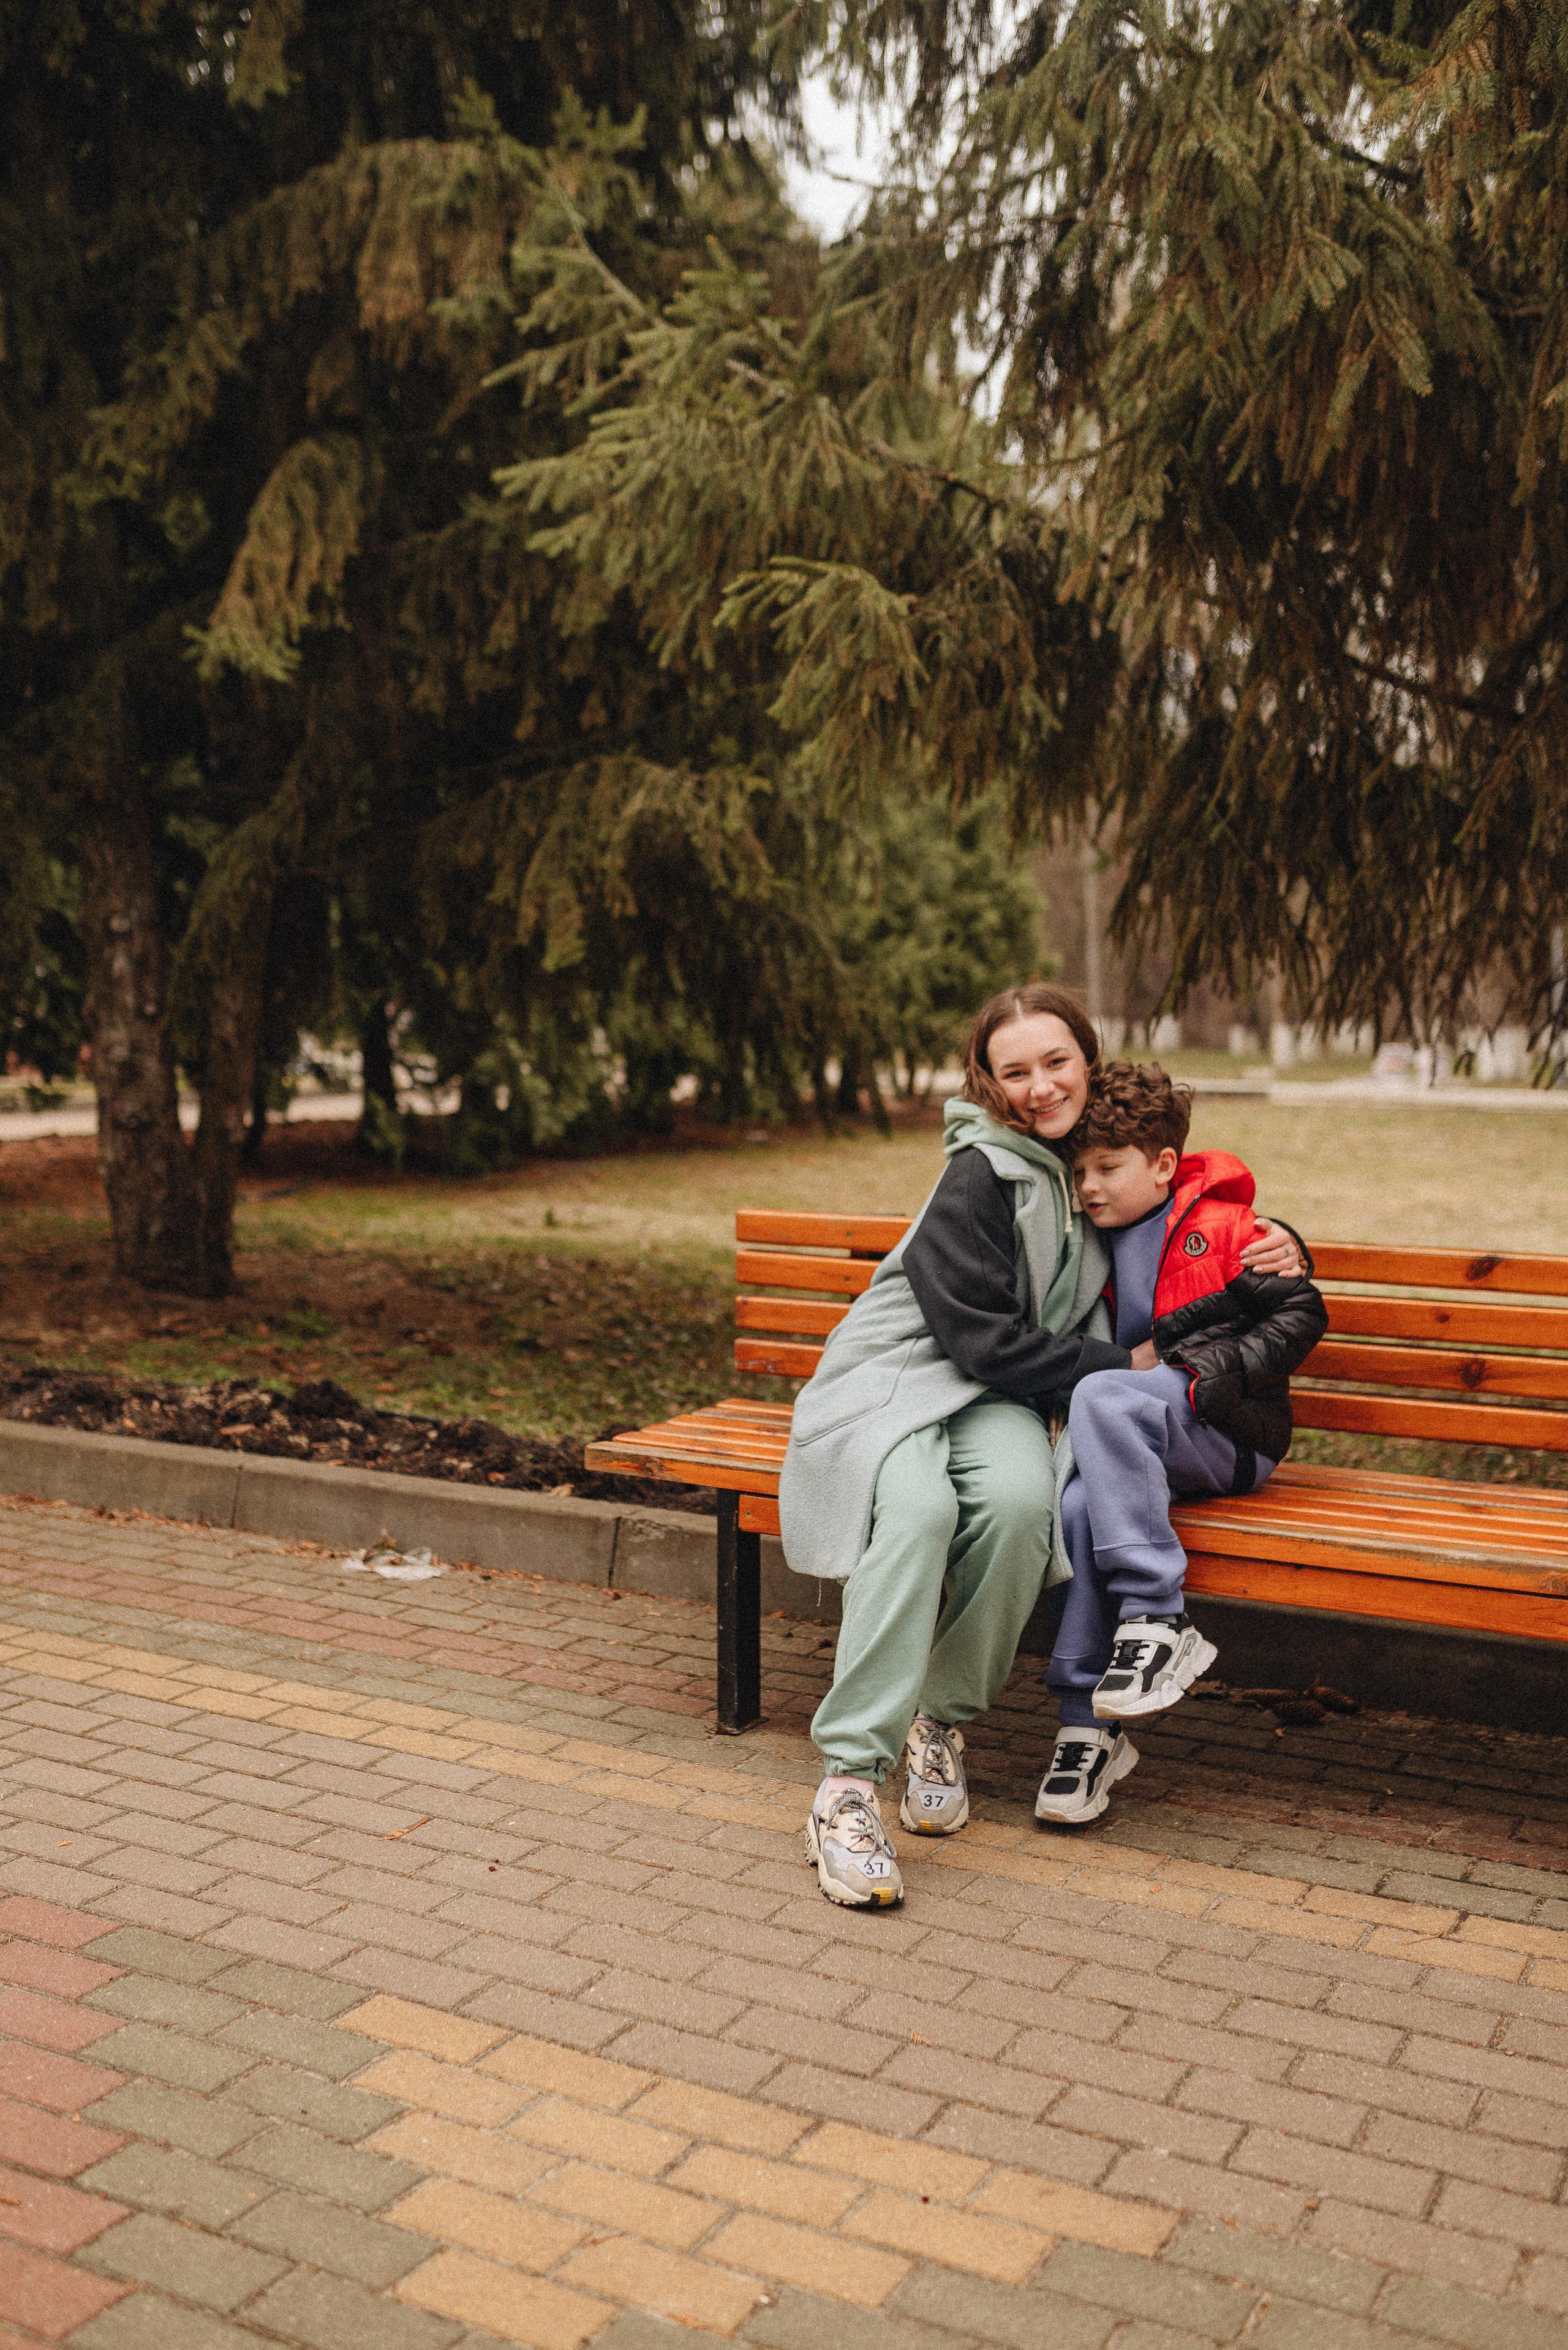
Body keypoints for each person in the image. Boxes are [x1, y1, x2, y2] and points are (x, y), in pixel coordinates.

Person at [777, 985, 1306, 1908]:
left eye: (1056, 1062)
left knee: (1024, 1508)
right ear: (988, 1081)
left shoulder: (1084, 1165)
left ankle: (939, 1722)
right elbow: (979, 1337)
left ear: (1088, 1060)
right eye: (1014, 1071)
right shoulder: (979, 1175)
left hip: (1002, 1395)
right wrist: (1124, 1359)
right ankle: (848, 1782)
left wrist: (1284, 1241)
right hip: (902, 1380)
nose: (1040, 1086)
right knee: (922, 1510)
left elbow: (1192, 1191)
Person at [1035, 1061, 1327, 1826]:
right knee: (1074, 1508)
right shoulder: (1086, 1241)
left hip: (1225, 1433)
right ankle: (1085, 1727)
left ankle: (1159, 1617)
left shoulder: (1222, 1228)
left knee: (1105, 1394)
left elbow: (1300, 1312)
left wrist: (1210, 1378)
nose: (1090, 1186)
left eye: (1108, 1168)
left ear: (1164, 1165)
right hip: (1139, 1436)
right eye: (1079, 1172)